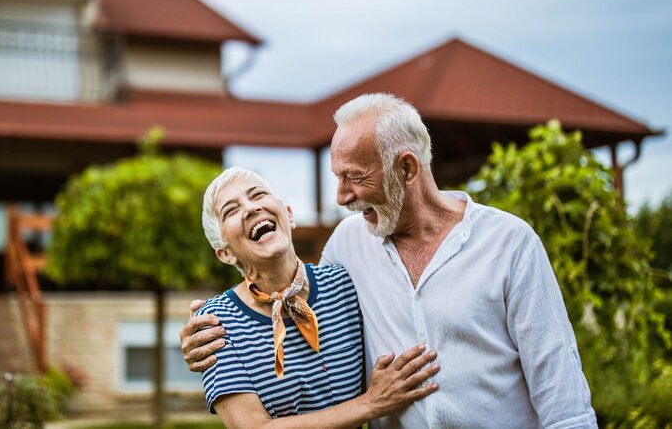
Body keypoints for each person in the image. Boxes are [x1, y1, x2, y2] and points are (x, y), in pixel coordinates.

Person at [182, 93, 598, 428]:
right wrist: (197, 341)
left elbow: (563, 399)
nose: (342, 196)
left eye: (355, 177)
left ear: (406, 169)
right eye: (337, 177)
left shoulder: (509, 243)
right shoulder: (348, 245)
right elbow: (290, 294)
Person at [191, 166, 439, 428]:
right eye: (231, 210)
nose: (250, 208)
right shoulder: (215, 323)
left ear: (289, 215)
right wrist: (371, 403)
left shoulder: (345, 285)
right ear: (225, 253)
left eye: (258, 195)